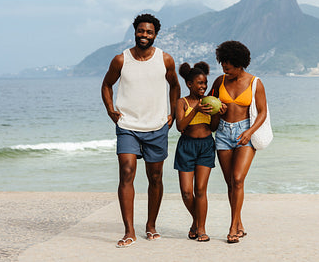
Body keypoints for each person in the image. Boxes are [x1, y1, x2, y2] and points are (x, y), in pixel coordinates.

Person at [101, 13, 180, 248]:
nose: (144, 35)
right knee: (126, 172)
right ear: (134, 31)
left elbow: (175, 86)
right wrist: (110, 110)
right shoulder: (120, 60)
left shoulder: (165, 60)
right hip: (127, 127)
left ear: (155, 35)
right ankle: (129, 231)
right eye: (141, 31)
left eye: (149, 32)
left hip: (157, 126)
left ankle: (151, 225)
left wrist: (173, 114)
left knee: (155, 177)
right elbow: (106, 84)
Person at [209, 40, 268, 244]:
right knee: (230, 183)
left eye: (229, 65)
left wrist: (250, 132)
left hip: (245, 133)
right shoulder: (219, 81)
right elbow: (208, 104)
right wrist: (218, 108)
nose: (225, 68)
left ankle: (233, 227)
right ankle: (239, 223)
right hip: (223, 134)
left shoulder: (255, 83)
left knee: (238, 179)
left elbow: (262, 112)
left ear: (240, 63)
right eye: (222, 64)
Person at [174, 61, 225, 242]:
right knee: (187, 192)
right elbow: (180, 126)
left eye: (205, 83)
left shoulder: (210, 102)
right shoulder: (182, 102)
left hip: (205, 146)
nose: (203, 86)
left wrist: (218, 112)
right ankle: (196, 221)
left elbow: (213, 127)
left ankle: (201, 229)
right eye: (199, 83)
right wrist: (195, 109)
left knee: (201, 189)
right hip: (186, 146)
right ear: (189, 84)